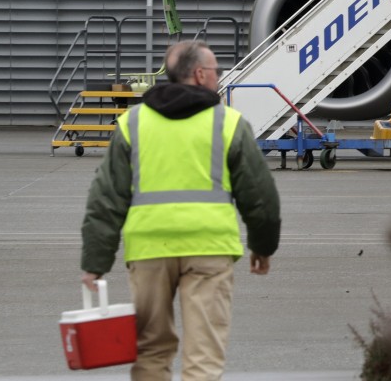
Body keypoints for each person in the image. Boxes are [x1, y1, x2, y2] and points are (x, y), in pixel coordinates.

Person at [80, 40, 281, 381]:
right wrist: (262, 246)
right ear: (200, 74)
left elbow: (106, 198)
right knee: (203, 355)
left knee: (151, 351)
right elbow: (260, 196)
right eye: (216, 71)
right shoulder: (228, 123)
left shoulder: (132, 123)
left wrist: (94, 264)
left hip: (149, 251)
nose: (218, 77)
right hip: (209, 251)